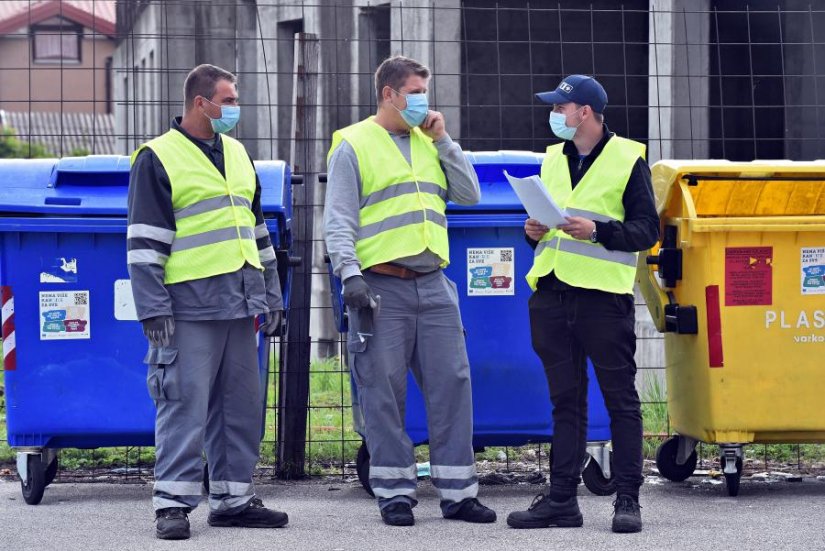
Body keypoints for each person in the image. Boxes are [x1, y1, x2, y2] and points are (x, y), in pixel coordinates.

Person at [324, 55, 496, 527]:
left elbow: (470, 194)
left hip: (434, 285)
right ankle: (395, 493)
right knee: (383, 392)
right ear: (389, 94)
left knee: (453, 386)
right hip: (381, 286)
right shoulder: (353, 145)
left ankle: (459, 493)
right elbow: (338, 220)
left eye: (425, 91)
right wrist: (349, 275)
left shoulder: (429, 141)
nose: (424, 100)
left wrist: (443, 139)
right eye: (416, 92)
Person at [127, 64, 288, 540]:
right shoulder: (157, 158)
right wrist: (153, 307)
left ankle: (233, 498)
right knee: (183, 405)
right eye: (229, 99)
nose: (235, 108)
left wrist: (271, 294)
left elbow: (258, 233)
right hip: (188, 308)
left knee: (240, 407)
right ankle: (172, 504)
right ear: (202, 103)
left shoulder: (238, 154)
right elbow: (144, 244)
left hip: (240, 304)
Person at [506, 75, 658, 534]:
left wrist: (599, 232)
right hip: (552, 294)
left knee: (621, 401)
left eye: (561, 108)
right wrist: (531, 231)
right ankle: (561, 501)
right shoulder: (552, 158)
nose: (555, 114)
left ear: (585, 113)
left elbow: (647, 231)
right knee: (565, 403)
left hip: (602, 299)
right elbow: (543, 225)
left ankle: (627, 499)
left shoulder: (627, 159)